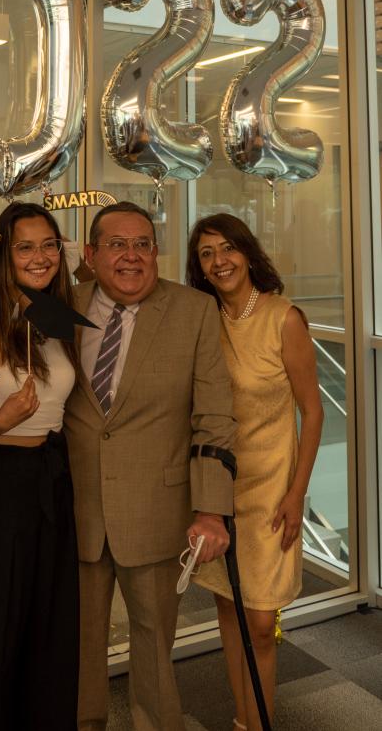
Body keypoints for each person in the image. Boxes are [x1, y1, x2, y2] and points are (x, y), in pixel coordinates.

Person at [62, 200, 237, 731]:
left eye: (143, 244)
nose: (132, 256)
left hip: (159, 511)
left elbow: (215, 417)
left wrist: (211, 510)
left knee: (155, 647)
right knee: (79, 645)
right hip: (76, 508)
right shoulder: (60, 308)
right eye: (117, 245)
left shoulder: (193, 311)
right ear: (91, 255)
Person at [186, 212, 323, 731]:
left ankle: (260, 721)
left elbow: (313, 410)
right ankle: (245, 719)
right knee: (229, 606)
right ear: (198, 267)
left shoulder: (283, 317)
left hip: (271, 488)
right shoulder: (200, 319)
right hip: (218, 486)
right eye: (206, 254)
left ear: (246, 252)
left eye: (227, 249)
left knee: (261, 623)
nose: (219, 261)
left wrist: (297, 493)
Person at [0, 201, 80, 731]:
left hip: (50, 480)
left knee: (47, 623)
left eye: (48, 244)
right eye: (24, 246)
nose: (40, 256)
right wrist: (4, 418)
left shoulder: (55, 315)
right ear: (3, 254)